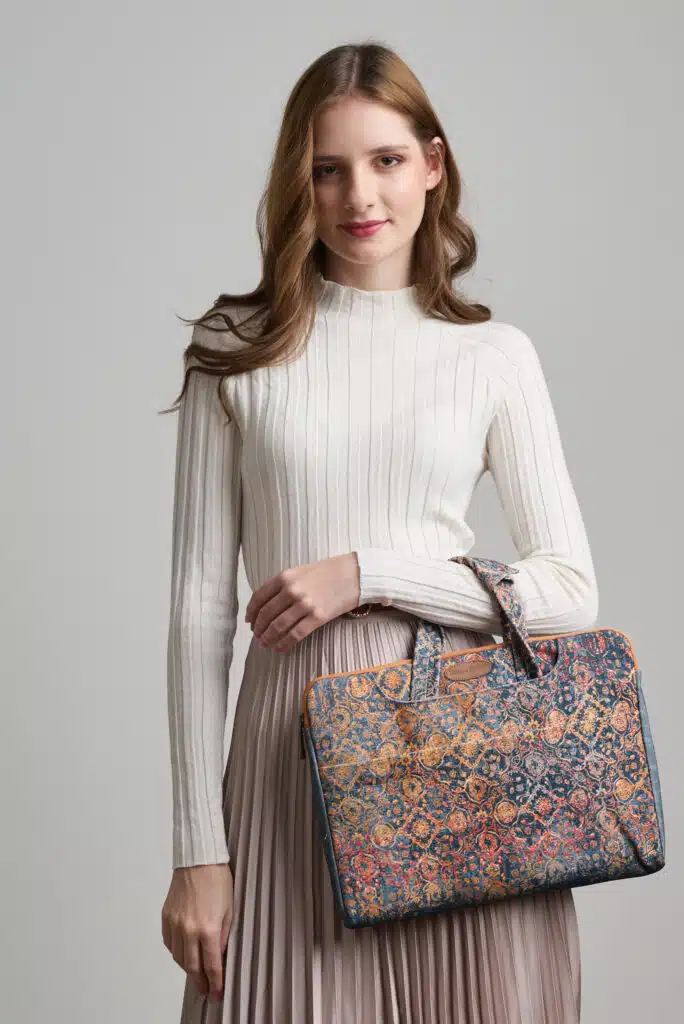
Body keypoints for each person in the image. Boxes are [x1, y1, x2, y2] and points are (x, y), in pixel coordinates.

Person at [160, 41, 598, 1024]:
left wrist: (371, 574)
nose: (358, 194)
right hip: (284, 764)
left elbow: (570, 590)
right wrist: (197, 848)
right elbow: (197, 613)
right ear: (297, 181)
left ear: (432, 164)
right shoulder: (233, 350)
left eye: (386, 160)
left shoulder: (492, 356)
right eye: (327, 168)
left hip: (459, 760)